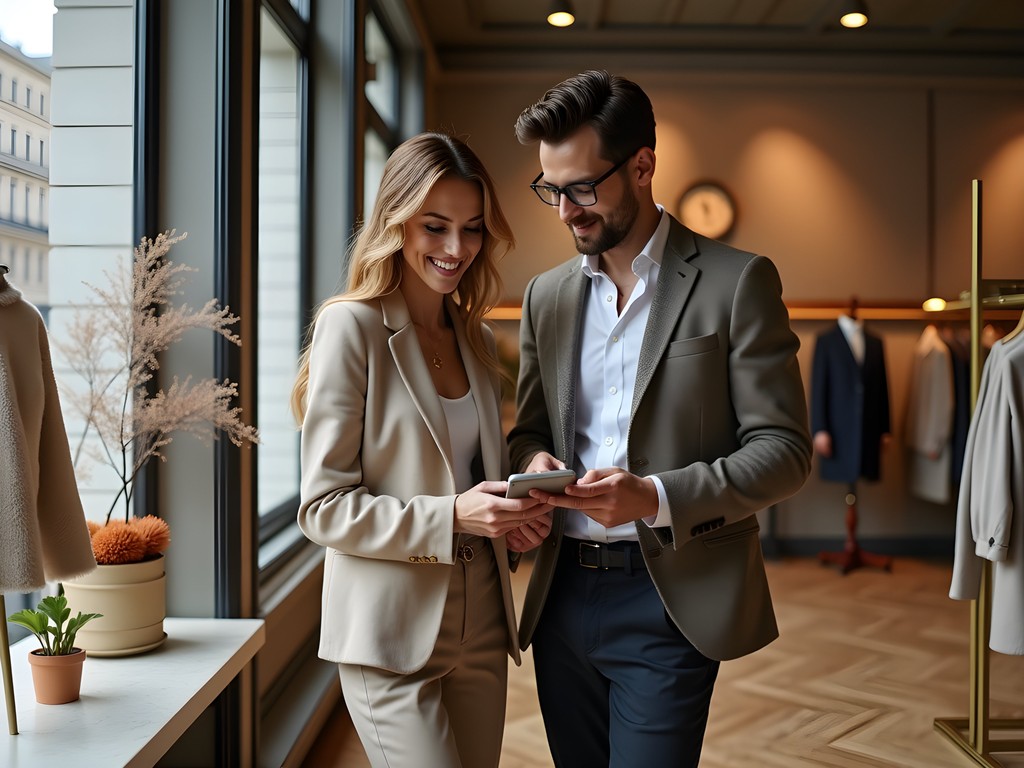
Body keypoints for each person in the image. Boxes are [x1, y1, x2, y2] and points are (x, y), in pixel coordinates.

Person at [506, 70, 812, 767]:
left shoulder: (739, 282)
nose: (565, 211)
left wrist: (653, 497)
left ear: (643, 165)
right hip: (560, 597)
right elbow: (528, 431)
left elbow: (785, 450)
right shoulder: (545, 297)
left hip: (669, 598)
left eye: (583, 187)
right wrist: (532, 464)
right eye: (551, 189)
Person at [292, 132, 552, 768]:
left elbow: (472, 475)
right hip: (388, 630)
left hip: (485, 617)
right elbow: (323, 508)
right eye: (435, 227)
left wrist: (516, 512)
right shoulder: (350, 327)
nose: (456, 248)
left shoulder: (477, 339)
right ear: (396, 221)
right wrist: (453, 517)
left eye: (472, 229)